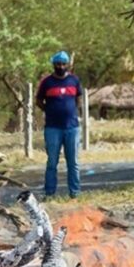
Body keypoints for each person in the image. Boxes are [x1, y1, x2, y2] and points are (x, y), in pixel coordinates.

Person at [36, 51, 82, 199]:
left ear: (67, 64)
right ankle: (49, 192)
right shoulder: (47, 82)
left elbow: (78, 99)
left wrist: (71, 111)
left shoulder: (74, 80)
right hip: (52, 128)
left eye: (63, 64)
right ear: (53, 64)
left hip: (72, 127)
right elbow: (39, 100)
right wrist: (49, 110)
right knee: (52, 162)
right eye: (58, 64)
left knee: (73, 162)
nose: (60, 66)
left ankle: (74, 192)